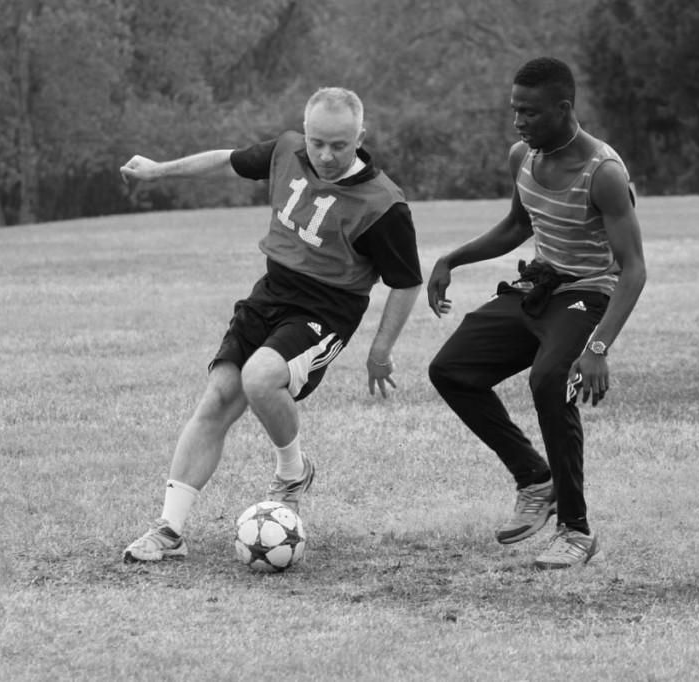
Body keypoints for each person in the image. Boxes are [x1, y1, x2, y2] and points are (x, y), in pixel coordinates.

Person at [119, 87, 423, 563]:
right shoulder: (286, 152)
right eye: (317, 141)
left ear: (360, 136)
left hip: (327, 310)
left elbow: (406, 282)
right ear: (305, 133)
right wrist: (160, 169)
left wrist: (380, 351)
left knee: (260, 377)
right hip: (271, 294)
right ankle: (169, 531)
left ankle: (291, 473)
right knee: (219, 393)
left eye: (339, 145)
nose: (325, 154)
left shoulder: (383, 205)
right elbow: (227, 159)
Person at [426, 57, 646, 570]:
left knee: (550, 380)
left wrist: (597, 347)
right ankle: (534, 478)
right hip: (539, 288)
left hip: (588, 294)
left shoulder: (604, 173)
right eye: (514, 111)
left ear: (564, 108)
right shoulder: (521, 156)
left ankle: (576, 530)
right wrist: (451, 258)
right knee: (451, 370)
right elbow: (517, 225)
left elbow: (633, 270)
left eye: (529, 112)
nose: (518, 122)